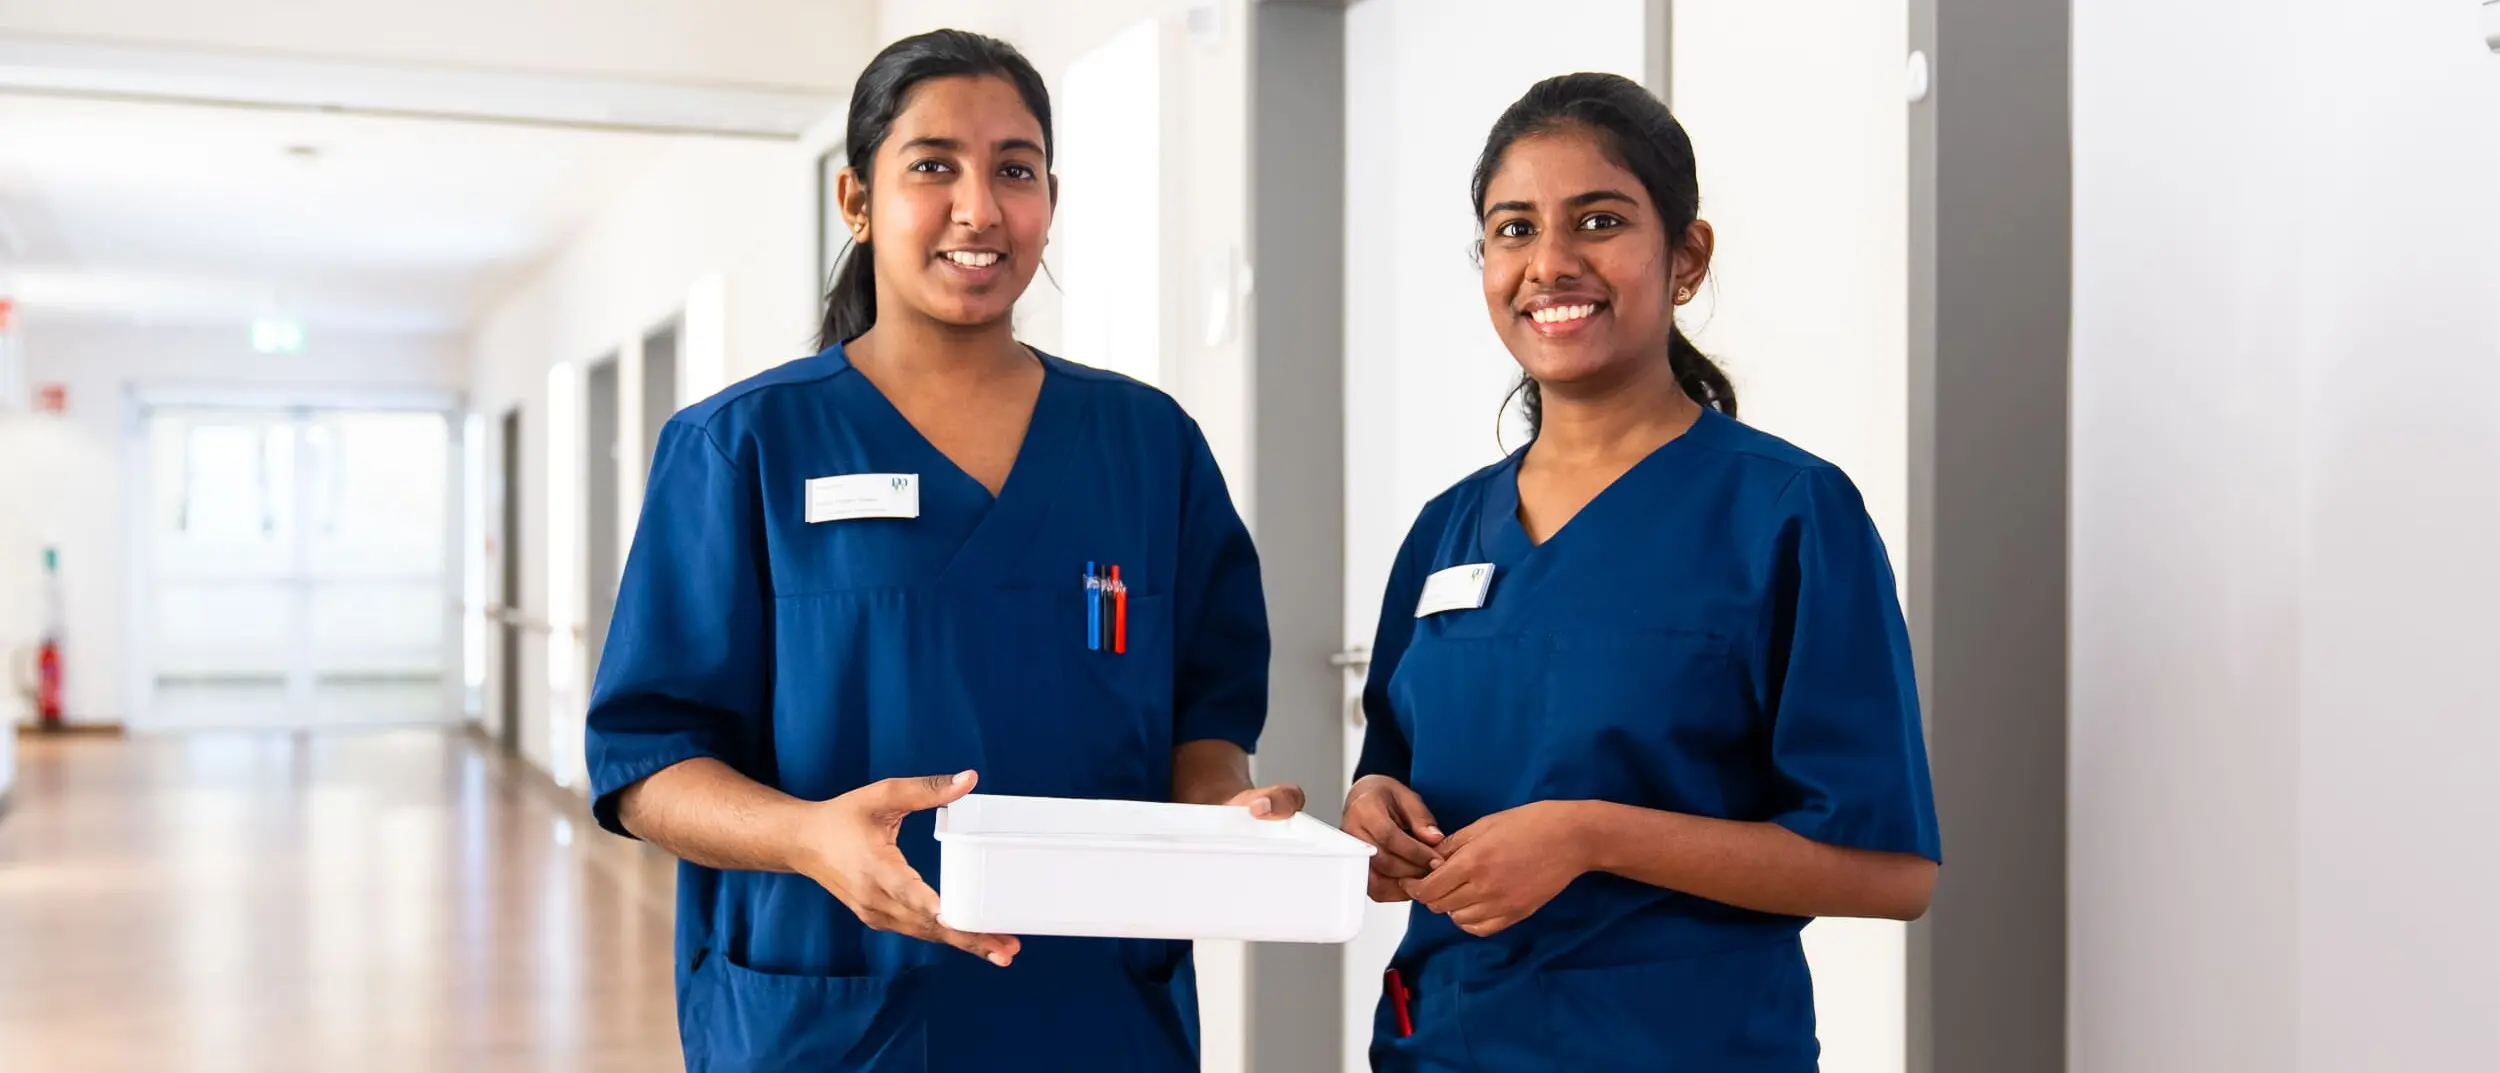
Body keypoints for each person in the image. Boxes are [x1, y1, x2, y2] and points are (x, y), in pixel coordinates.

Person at [584, 29, 1300, 1073]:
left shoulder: (1147, 446)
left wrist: (1223, 814)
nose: (979, 208)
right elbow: (647, 763)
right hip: (836, 1005)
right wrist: (809, 837)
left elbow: (1204, 716)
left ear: (1049, 194)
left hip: (1088, 1007)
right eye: (933, 166)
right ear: (856, 201)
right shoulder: (741, 445)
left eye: (1014, 169)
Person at [1341, 72, 1942, 1072]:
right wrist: (1376, 809)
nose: (1551, 262)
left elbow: (1891, 871)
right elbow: (1396, 762)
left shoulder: (1787, 513)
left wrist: (1591, 835)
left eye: (1599, 220)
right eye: (1513, 229)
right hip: (1445, 1039)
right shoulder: (1447, 529)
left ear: (1686, 257)